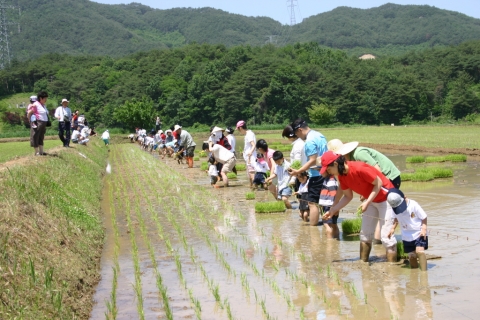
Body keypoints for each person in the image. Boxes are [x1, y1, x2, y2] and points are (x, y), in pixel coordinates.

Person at [320, 151, 397, 262]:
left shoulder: (359, 168)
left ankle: (392, 270)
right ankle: (363, 265)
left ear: (336, 164)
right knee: (365, 235)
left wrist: (367, 202)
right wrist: (333, 210)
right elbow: (348, 196)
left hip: (386, 199)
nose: (329, 173)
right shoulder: (342, 176)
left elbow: (379, 183)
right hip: (371, 201)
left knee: (386, 237)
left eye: (328, 169)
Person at [287, 119, 328, 226]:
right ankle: (327, 225)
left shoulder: (309, 141)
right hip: (326, 172)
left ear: (300, 130)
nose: (298, 136)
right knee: (325, 202)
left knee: (312, 203)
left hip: (316, 174)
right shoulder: (319, 135)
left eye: (297, 134)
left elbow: (313, 160)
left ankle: (313, 229)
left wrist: (298, 171)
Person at [327, 139, 401, 188]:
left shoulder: (359, 154)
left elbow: (377, 170)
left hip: (390, 177)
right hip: (380, 179)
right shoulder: (349, 159)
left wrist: (376, 188)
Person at [386, 189, 428, 270]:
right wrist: (392, 229)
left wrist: (424, 229)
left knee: (420, 252)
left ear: (405, 197)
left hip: (419, 233)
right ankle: (414, 273)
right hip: (406, 235)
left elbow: (424, 217)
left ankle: (424, 275)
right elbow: (395, 219)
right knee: (411, 256)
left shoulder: (413, 205)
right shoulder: (394, 209)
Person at [26, 91, 49, 156]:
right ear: (41, 98)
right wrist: (30, 120)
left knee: (41, 136)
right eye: (45, 98)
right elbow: (30, 112)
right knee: (35, 136)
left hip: (43, 123)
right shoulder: (35, 104)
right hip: (37, 122)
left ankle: (41, 151)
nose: (46, 100)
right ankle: (36, 152)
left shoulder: (42, 105)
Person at [236, 120, 256, 187]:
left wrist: (250, 152)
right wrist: (244, 152)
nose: (239, 131)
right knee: (249, 175)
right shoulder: (248, 134)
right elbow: (248, 146)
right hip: (248, 157)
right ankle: (251, 187)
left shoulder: (249, 134)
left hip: (251, 158)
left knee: (252, 174)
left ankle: (255, 188)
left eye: (238, 129)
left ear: (240, 128)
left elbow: (253, 145)